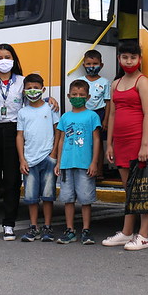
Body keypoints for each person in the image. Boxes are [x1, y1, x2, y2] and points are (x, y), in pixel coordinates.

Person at [0, 44, 58, 242]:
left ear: (13, 59)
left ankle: (9, 224)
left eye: (7, 56)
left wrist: (48, 98)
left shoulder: (20, 81)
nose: (3, 60)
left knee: (12, 180)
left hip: (13, 130)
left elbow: (32, 97)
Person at [102, 40, 148, 251]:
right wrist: (110, 144)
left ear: (139, 59)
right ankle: (126, 232)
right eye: (125, 57)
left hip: (138, 142)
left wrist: (144, 145)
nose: (129, 61)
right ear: (119, 59)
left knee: (142, 190)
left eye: (133, 57)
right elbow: (113, 114)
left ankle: (144, 235)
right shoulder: (115, 84)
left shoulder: (143, 82)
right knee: (129, 190)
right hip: (121, 143)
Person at [54, 79, 101, 245]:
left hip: (85, 165)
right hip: (67, 165)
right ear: (68, 96)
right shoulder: (65, 117)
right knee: (68, 199)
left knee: (86, 199)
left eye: (81, 95)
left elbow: (96, 140)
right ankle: (70, 230)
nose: (77, 97)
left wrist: (94, 162)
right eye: (74, 95)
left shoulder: (92, 116)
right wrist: (58, 163)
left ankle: (86, 230)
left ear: (88, 97)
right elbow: (61, 140)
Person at [16, 73, 60, 243]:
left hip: (48, 159)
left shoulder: (50, 108)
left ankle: (47, 227)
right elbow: (19, 136)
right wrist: (22, 159)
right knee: (31, 197)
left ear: (43, 89)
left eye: (36, 88)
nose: (33, 91)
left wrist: (54, 154)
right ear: (24, 91)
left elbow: (58, 130)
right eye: (29, 88)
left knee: (48, 196)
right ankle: (33, 227)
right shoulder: (22, 112)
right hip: (30, 160)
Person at [80, 49, 111, 177]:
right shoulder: (80, 80)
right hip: (84, 114)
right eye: (88, 64)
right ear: (84, 65)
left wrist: (105, 120)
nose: (91, 67)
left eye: (95, 64)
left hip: (99, 114)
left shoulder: (105, 82)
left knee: (98, 143)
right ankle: (85, 170)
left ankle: (99, 172)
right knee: (85, 142)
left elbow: (108, 102)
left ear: (101, 65)